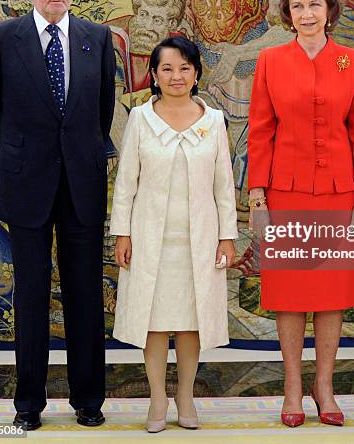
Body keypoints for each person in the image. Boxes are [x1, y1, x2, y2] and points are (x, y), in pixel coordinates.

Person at [0, 0, 116, 430]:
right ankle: (28, 403)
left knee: (84, 295)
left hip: (82, 185)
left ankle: (88, 399)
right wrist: (17, 157)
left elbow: (101, 113)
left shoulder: (96, 39)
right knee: (30, 296)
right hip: (26, 185)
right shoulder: (2, 38)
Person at [248, 0, 354, 427]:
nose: (306, 14)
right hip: (285, 193)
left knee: (331, 295)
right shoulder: (271, 62)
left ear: (329, 11)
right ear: (287, 12)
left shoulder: (353, 61)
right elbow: (261, 132)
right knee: (290, 295)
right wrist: (258, 199)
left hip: (341, 196)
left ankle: (324, 386)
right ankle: (292, 386)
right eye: (298, 6)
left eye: (315, 5)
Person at [111, 36, 237, 433]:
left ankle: (185, 395)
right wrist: (122, 233)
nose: (176, 76)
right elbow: (126, 183)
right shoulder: (140, 119)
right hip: (150, 238)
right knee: (154, 321)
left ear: (197, 72)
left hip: (199, 239)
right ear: (154, 74)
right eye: (167, 68)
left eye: (184, 68)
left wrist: (227, 237)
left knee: (190, 322)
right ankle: (157, 398)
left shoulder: (213, 121)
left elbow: (223, 185)